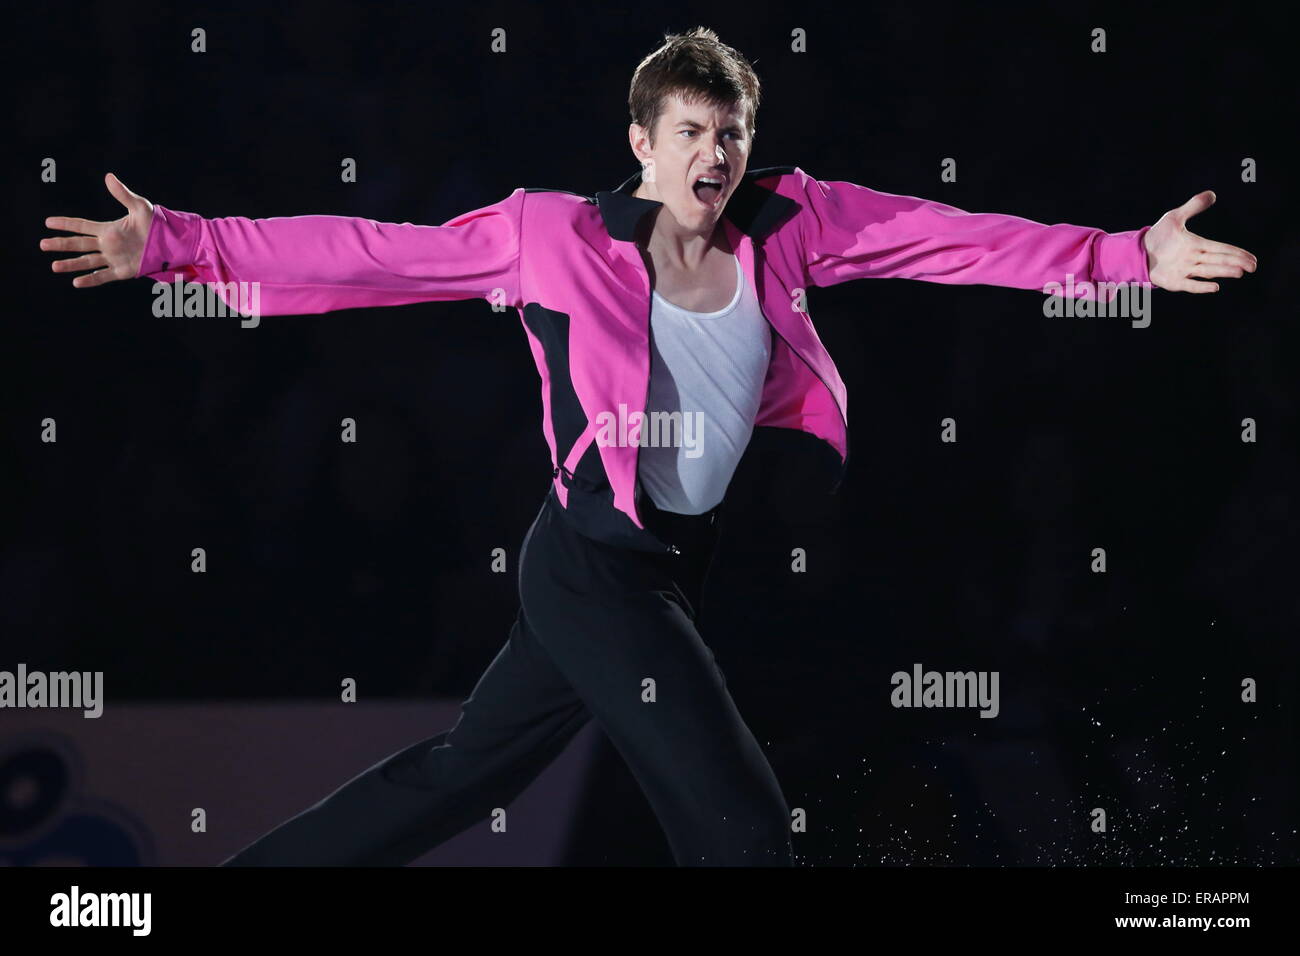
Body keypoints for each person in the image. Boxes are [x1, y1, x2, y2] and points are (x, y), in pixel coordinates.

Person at [40, 27, 1256, 866]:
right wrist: (184, 244)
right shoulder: (550, 238)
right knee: (738, 817)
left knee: (469, 772)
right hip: (590, 562)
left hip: (677, 560)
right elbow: (369, 253)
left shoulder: (791, 220)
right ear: (641, 140)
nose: (713, 157)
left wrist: (1123, 257)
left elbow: (946, 238)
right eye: (689, 132)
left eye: (729, 134)